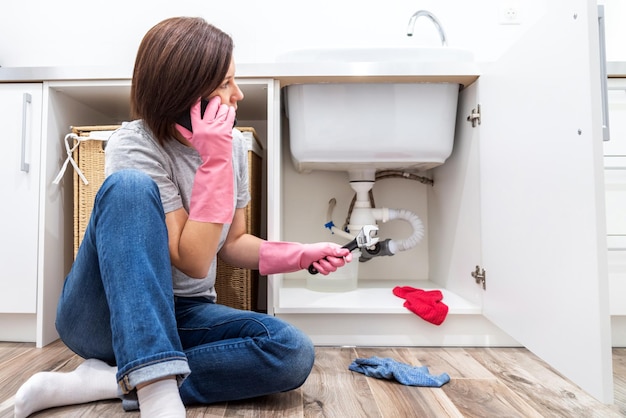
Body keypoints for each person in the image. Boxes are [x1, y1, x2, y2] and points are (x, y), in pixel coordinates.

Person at [14, 16, 352, 418]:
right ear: (187, 89)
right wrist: (212, 165)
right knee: (129, 188)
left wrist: (300, 254)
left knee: (291, 351)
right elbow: (191, 259)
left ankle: (109, 380)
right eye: (226, 83)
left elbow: (234, 243)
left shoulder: (230, 149)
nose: (238, 94)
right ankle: (156, 393)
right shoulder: (134, 144)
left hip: (183, 314)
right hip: (104, 314)